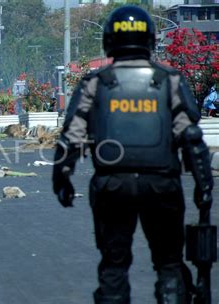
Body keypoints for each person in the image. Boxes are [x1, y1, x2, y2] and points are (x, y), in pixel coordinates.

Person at [51, 5, 213, 304]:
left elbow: (71, 135)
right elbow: (190, 136)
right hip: (162, 184)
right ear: (150, 40)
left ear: (109, 40)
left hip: (112, 184)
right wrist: (204, 188)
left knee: (113, 267)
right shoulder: (169, 80)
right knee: (169, 265)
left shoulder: (96, 82)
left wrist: (62, 177)